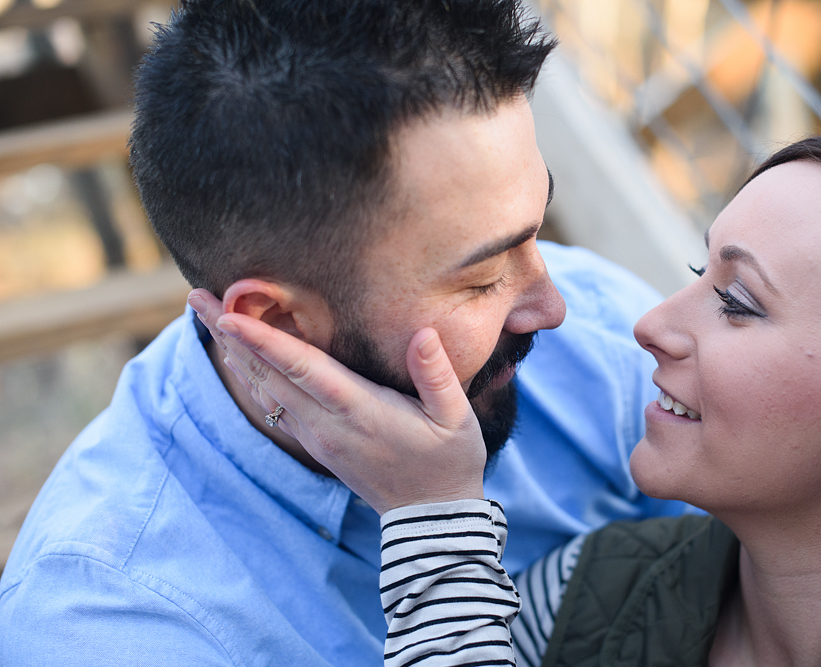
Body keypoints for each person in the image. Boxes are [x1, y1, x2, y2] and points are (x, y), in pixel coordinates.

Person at [0, 1, 688, 664]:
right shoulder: (112, 621)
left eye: (535, 230)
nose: (553, 304)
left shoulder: (598, 330)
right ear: (276, 325)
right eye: (480, 278)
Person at [206, 134, 821, 667]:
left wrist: (438, 524)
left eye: (738, 301)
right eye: (698, 271)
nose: (651, 325)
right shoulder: (588, 591)